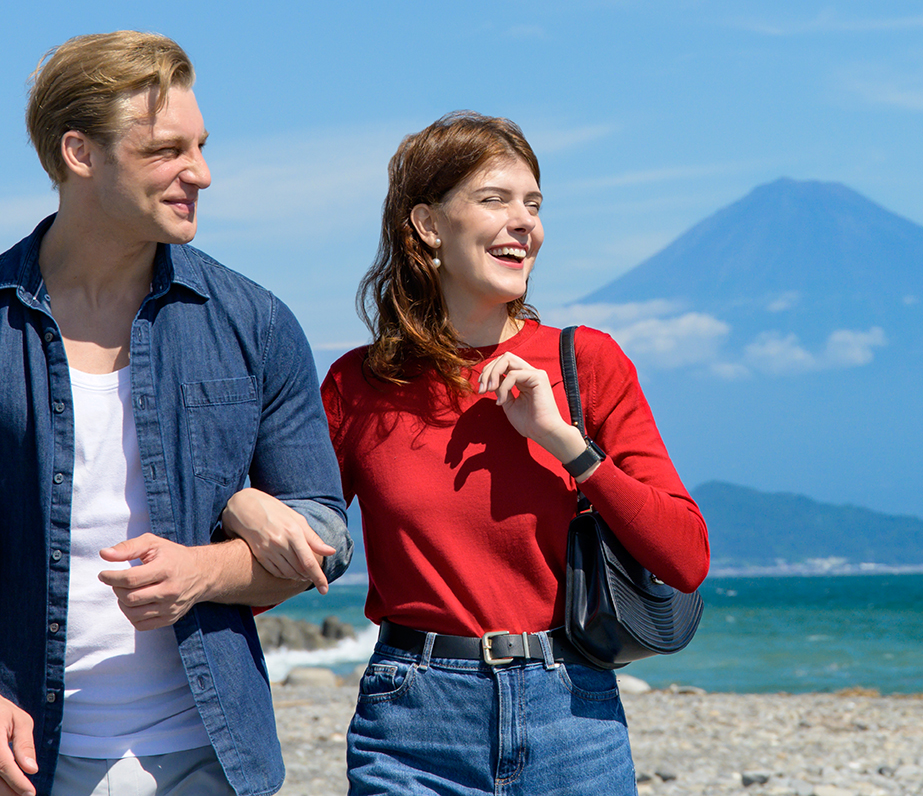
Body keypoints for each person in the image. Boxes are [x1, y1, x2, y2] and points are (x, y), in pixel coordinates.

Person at [0, 32, 351, 796]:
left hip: (210, 756)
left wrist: (203, 568)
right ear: (80, 154)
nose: (202, 172)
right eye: (167, 149)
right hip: (16, 758)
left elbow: (322, 532)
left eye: (201, 145)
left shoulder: (255, 322)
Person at [222, 111, 709, 795]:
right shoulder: (357, 385)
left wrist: (566, 443)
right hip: (411, 721)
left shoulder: (587, 362)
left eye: (534, 203)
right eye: (495, 199)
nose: (524, 222)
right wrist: (236, 504)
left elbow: (685, 556)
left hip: (574, 715)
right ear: (427, 224)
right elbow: (296, 545)